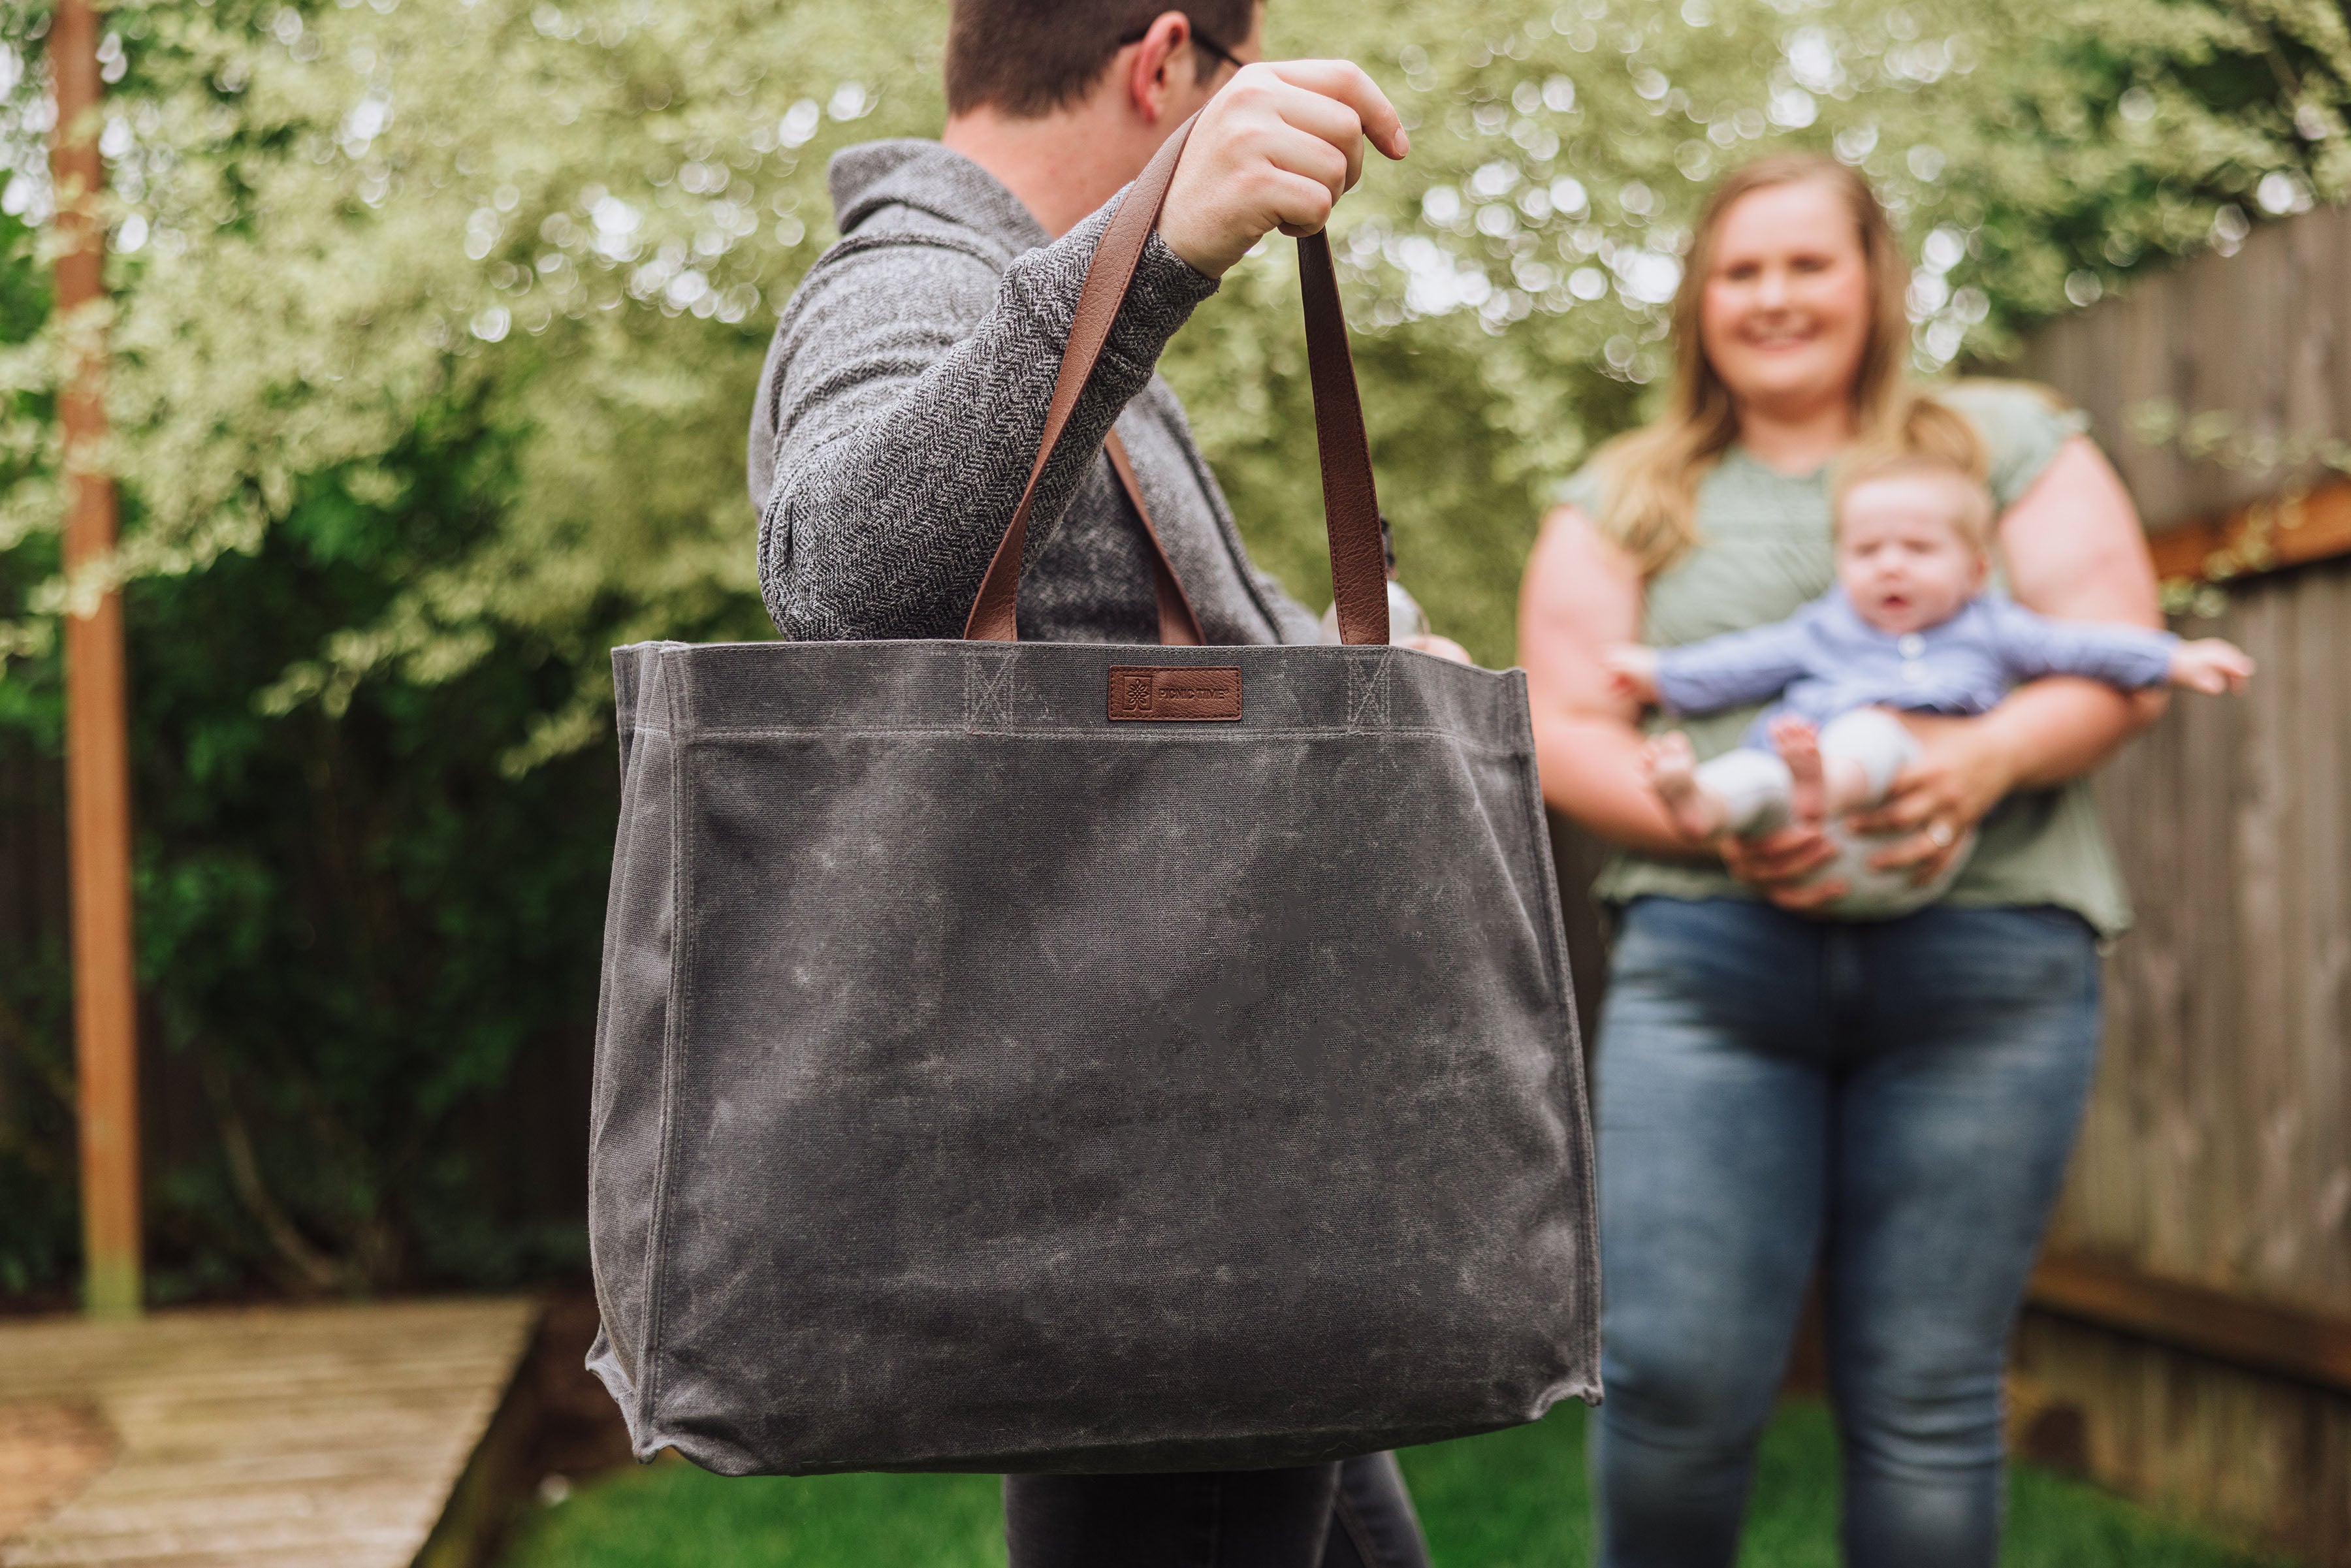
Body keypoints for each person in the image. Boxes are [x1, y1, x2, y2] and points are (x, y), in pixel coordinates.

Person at [747, 4, 1443, 1563]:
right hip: (1138, 1183)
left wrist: (1382, 661)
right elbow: (836, 581)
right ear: (1164, 64)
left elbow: (1158, 638)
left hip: (1188, 1162)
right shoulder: (919, 282)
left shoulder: (1041, 299)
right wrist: (1160, 249)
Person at [1518, 150, 2176, 1567]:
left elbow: (2115, 647)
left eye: (1807, 263)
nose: (1773, 297)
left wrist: (1972, 764)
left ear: (1876, 279)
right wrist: (1715, 816)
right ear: (1699, 300)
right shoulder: (1628, 491)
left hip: (1987, 967)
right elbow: (1564, 723)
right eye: (1739, 270)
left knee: (1931, 1395)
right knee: (1676, 1378)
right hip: (1714, 973)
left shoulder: (2006, 441)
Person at [1605, 434, 2252, 918]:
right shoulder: (1827, 628)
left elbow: (2082, 647)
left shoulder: (1992, 627)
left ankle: (1823, 780)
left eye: (1917, 549)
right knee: (1752, 775)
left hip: (1909, 848)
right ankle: (1699, 804)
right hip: (1807, 852)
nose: (1890, 566)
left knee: (1873, 733)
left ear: (1974, 570)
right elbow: (1744, 662)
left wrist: (2173, 659)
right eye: (1866, 551)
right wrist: (1661, 675)